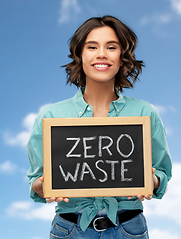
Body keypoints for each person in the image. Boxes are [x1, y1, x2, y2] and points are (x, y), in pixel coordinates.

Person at [27, 15, 172, 239]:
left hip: (128, 228)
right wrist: (45, 185)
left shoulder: (145, 113)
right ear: (80, 55)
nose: (101, 54)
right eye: (92, 46)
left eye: (111, 47)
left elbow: (162, 173)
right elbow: (35, 182)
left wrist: (150, 181)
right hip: (70, 228)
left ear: (123, 57)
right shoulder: (51, 116)